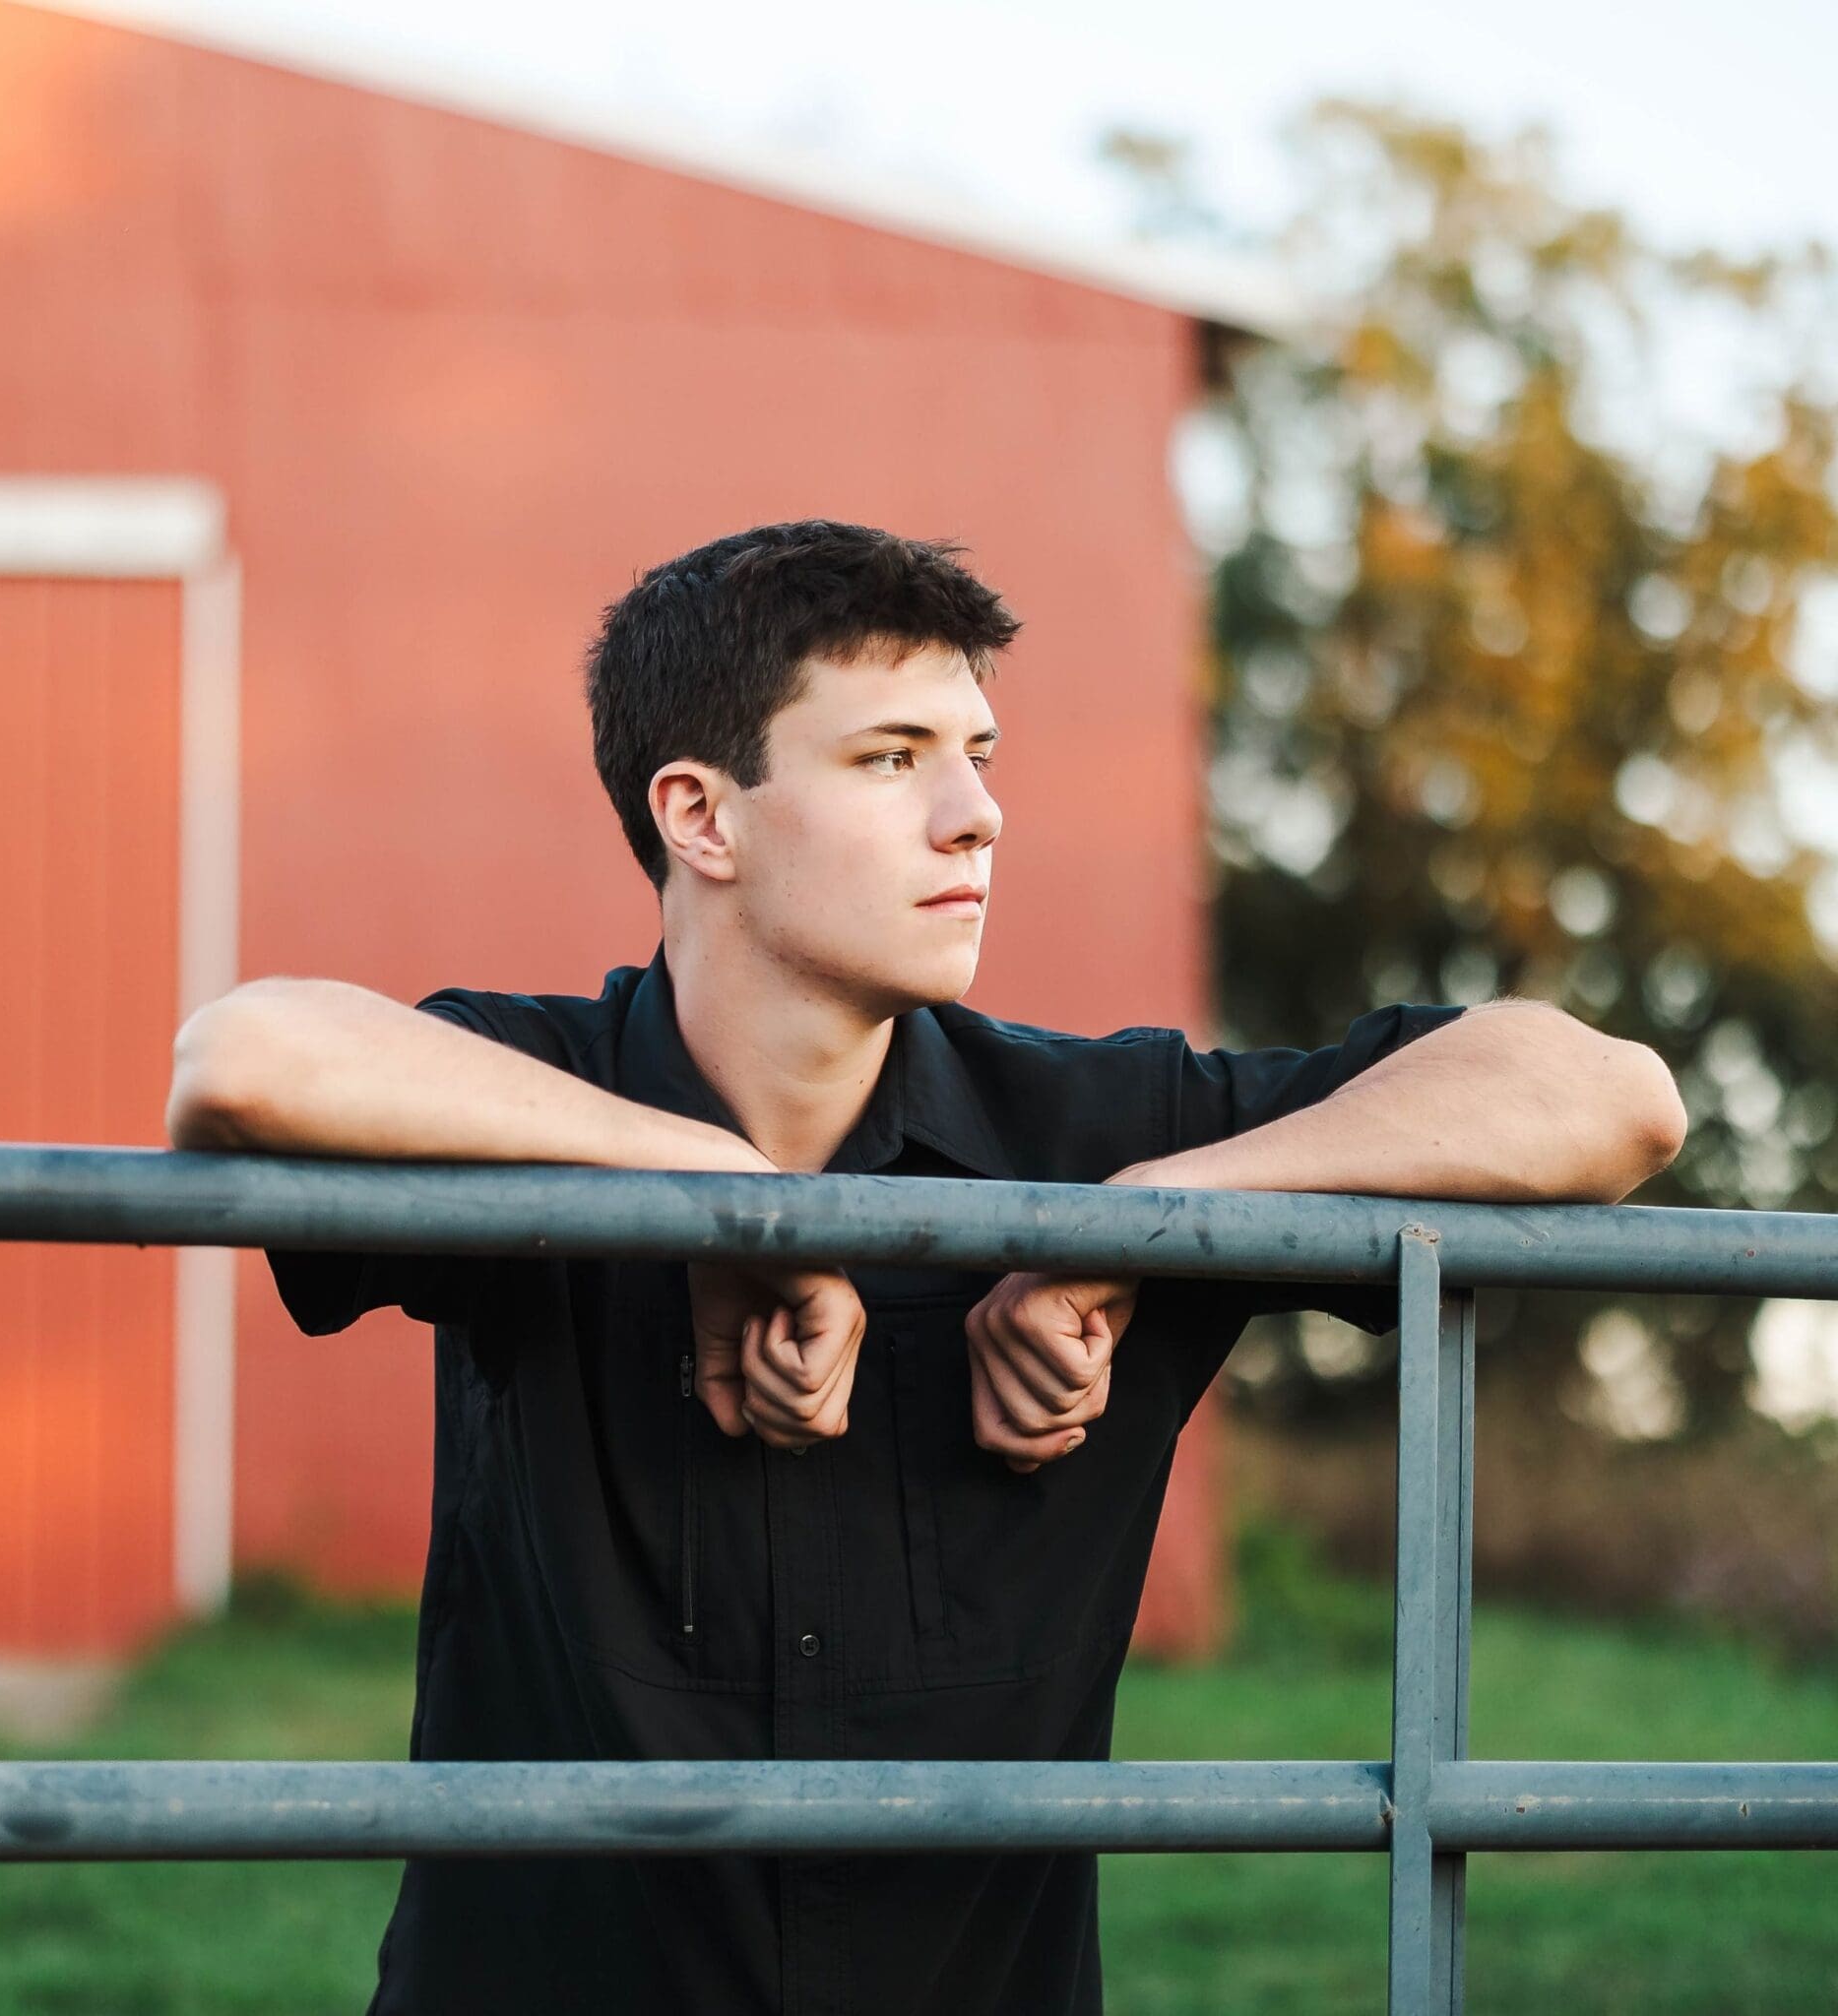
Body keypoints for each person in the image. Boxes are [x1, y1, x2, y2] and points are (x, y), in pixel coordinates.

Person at [165, 520, 1685, 2016]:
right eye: (893, 758)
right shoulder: (526, 1087)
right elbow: (243, 1058)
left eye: (979, 756)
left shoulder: (1098, 1131)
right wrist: (718, 1192)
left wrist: (1136, 1223)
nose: (976, 816)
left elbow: (1610, 1099)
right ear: (702, 816)